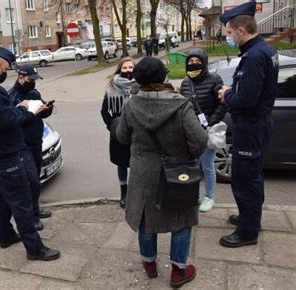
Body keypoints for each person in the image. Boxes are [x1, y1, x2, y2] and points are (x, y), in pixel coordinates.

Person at [116, 57, 207, 288]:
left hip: (142, 172)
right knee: (182, 220)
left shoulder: (131, 104)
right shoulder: (181, 104)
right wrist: (186, 155)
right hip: (177, 172)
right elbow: (199, 141)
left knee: (146, 219)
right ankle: (178, 271)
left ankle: (149, 265)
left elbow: (122, 137)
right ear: (163, 77)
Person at [0, 44, 60, 261]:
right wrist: (28, 110)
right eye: (6, 68)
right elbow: (7, 121)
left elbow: (0, 114)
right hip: (5, 151)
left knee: (1, 194)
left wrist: (18, 108)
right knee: (21, 201)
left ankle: (6, 235)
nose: (6, 72)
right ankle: (35, 249)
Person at [217, 1, 279, 248]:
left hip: (251, 126)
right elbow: (255, 89)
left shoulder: (254, 56)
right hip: (258, 124)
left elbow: (246, 100)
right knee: (253, 176)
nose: (229, 37)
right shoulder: (264, 50)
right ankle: (249, 218)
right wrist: (236, 90)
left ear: (241, 31)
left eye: (230, 33)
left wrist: (226, 95)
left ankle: (248, 232)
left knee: (245, 179)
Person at [180, 48, 227, 212]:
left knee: (207, 165)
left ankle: (209, 197)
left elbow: (223, 104)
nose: (193, 64)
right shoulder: (186, 82)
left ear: (204, 62)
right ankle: (194, 195)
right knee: (192, 166)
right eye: (190, 62)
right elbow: (182, 105)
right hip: (189, 130)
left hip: (207, 129)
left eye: (197, 61)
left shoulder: (214, 79)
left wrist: (211, 122)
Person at [8, 64, 54, 231]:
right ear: (21, 77)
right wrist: (29, 113)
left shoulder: (34, 93)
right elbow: (13, 121)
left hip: (36, 142)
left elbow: (42, 113)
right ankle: (30, 217)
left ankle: (35, 210)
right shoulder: (12, 97)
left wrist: (47, 108)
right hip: (22, 145)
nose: (33, 82)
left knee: (36, 180)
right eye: (30, 79)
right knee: (31, 182)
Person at [100, 57, 136, 209]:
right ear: (120, 69)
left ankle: (136, 193)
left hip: (137, 130)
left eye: (130, 68)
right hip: (118, 130)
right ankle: (124, 193)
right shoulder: (111, 87)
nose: (128, 71)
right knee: (121, 162)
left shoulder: (140, 86)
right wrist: (112, 126)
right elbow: (104, 111)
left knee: (136, 162)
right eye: (125, 68)